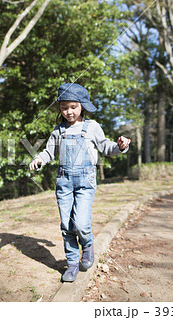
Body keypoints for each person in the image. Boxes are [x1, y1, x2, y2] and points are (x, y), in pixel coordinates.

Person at [29, 83, 131, 282]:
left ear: (82, 106)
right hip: (64, 183)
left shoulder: (92, 127)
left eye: (73, 107)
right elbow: (49, 152)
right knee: (67, 226)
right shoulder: (58, 130)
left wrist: (120, 147)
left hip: (85, 182)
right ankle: (72, 263)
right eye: (64, 107)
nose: (69, 112)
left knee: (81, 223)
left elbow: (106, 147)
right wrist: (39, 159)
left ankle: (88, 244)